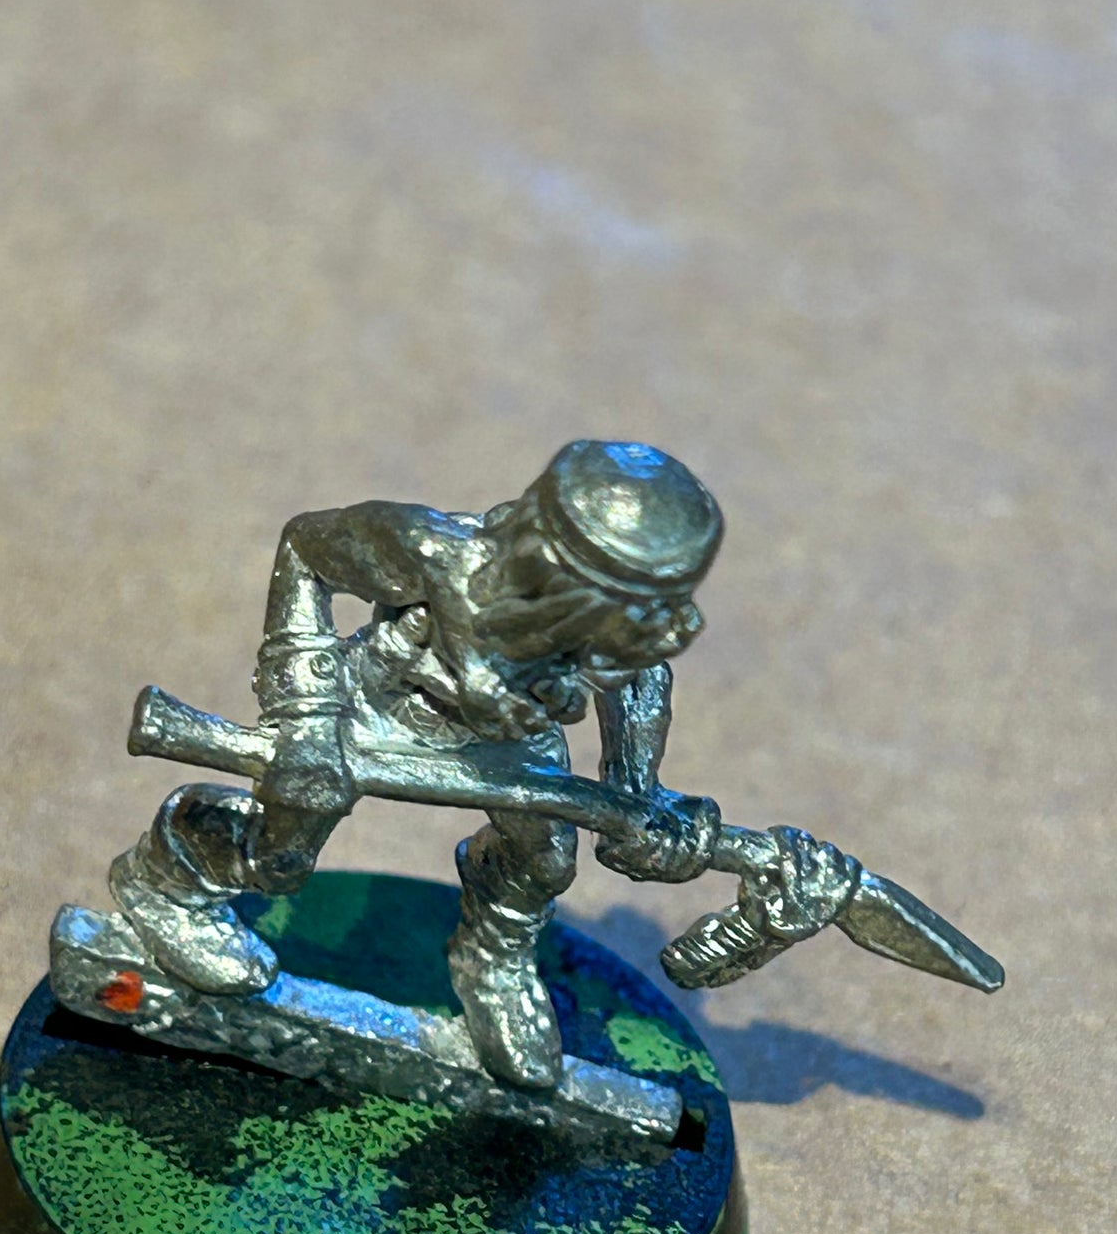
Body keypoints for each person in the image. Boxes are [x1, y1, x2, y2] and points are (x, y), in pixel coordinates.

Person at [107, 440, 725, 1089]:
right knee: (282, 849)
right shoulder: (432, 549)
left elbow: (638, 680)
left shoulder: (627, 632)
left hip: (512, 738)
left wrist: (637, 797)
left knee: (545, 859)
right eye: (642, 609)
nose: (668, 628)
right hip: (378, 701)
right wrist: (310, 723)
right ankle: (169, 877)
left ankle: (492, 960)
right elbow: (305, 550)